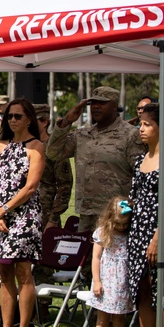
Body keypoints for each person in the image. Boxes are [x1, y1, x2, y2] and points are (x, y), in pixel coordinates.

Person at [47, 86, 143, 233]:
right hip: (86, 213)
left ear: (115, 106)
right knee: (86, 256)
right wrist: (66, 121)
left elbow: (140, 175)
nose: (96, 107)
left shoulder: (130, 135)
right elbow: (53, 153)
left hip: (116, 215)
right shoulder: (82, 135)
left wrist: (128, 210)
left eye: (102, 103)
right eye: (93, 103)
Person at [0, 98, 45, 327]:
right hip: (1, 216)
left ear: (29, 119)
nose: (12, 120)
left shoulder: (36, 147)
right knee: (5, 272)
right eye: (9, 116)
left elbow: (31, 187)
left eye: (18, 116)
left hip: (25, 216)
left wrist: (5, 210)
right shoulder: (2, 145)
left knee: (23, 272)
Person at [126, 102, 164, 327]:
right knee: (142, 288)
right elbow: (135, 198)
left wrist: (158, 238)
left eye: (147, 125)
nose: (141, 129)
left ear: (162, 127)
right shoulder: (139, 160)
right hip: (137, 231)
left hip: (162, 233)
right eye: (141, 124)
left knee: (163, 291)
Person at [88, 197, 135, 327]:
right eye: (118, 224)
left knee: (119, 319)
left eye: (124, 224)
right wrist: (97, 281)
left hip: (122, 282)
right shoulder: (102, 233)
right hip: (105, 281)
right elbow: (96, 258)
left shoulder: (130, 234)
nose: (121, 227)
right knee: (102, 319)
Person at [33, 104, 72, 229]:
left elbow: (65, 185)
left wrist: (54, 219)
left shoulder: (54, 148)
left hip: (45, 214)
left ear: (44, 122)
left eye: (31, 120)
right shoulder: (24, 145)